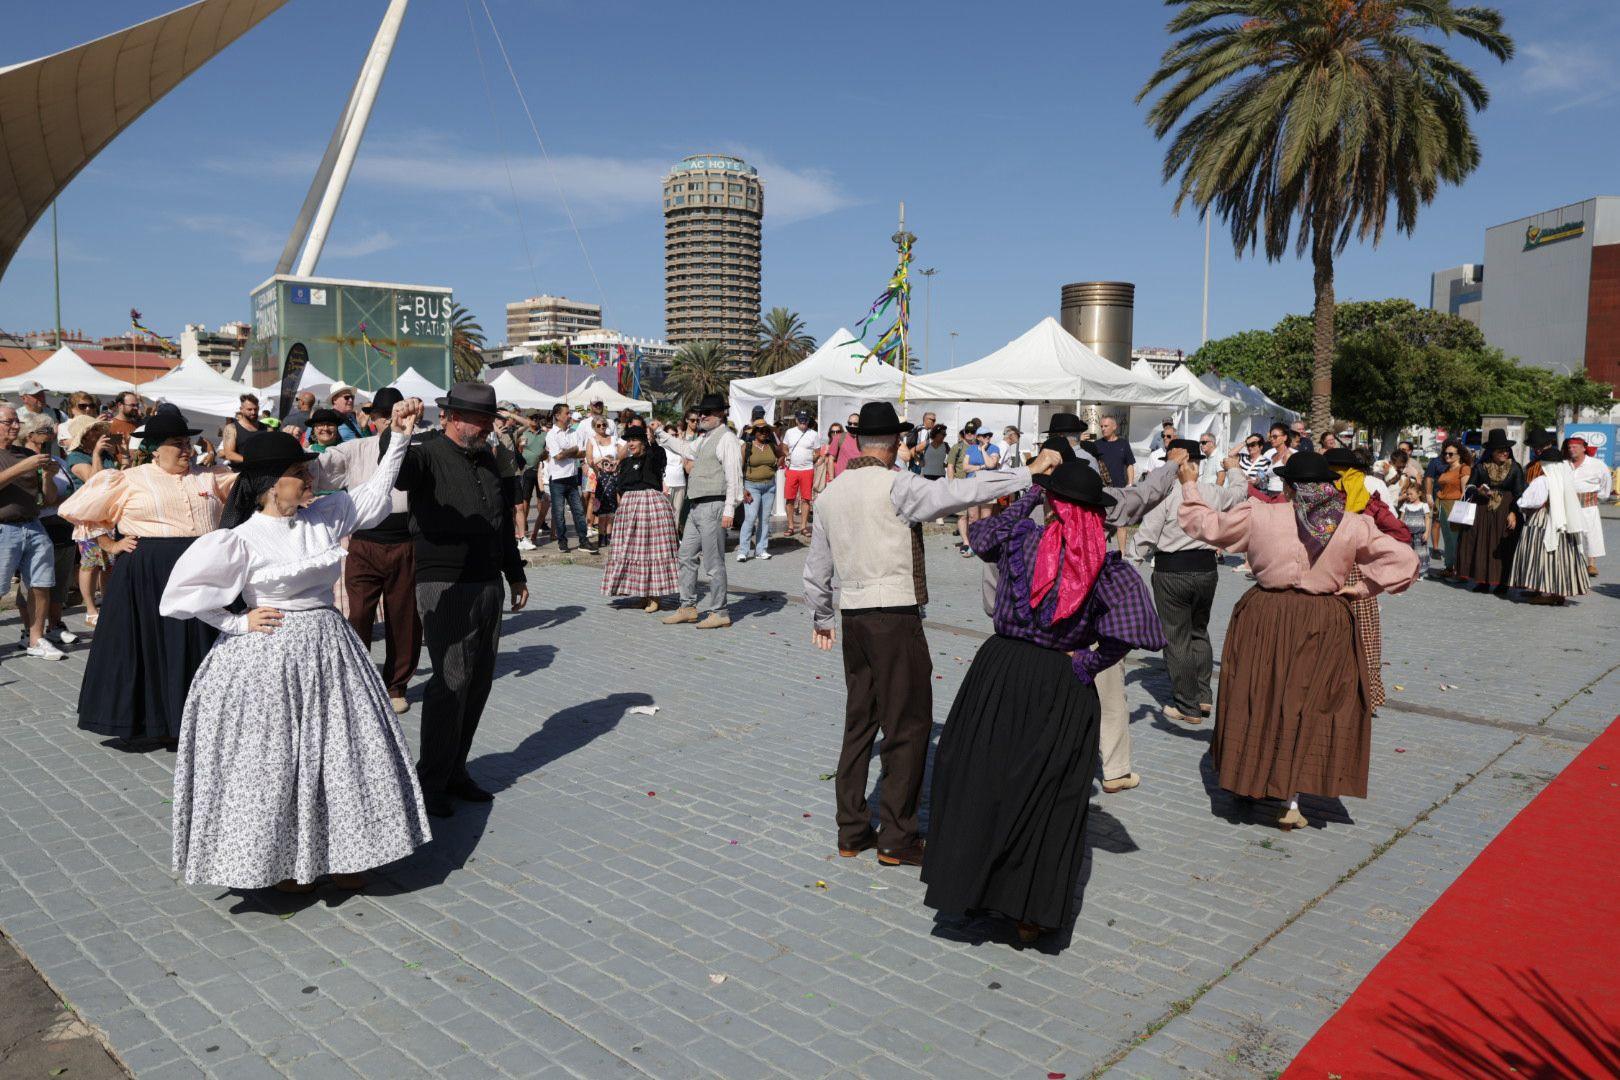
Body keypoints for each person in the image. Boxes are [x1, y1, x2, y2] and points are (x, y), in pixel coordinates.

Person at [160, 403, 431, 892]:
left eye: (307, 470)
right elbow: (182, 595)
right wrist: (236, 623)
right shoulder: (239, 539)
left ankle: (348, 853)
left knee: (343, 750)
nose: (310, 478)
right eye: (298, 472)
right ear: (269, 483)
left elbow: (374, 491)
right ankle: (280, 862)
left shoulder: (324, 516)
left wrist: (400, 435)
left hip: (331, 649)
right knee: (273, 758)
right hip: (267, 658)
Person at [804, 402, 1061, 868]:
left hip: (854, 617)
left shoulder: (830, 492)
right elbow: (960, 491)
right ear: (894, 446)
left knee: (860, 721)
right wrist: (1027, 474)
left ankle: (851, 828)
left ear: (861, 443)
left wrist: (822, 617)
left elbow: (816, 570)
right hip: (894, 615)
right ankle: (897, 837)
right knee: (907, 724)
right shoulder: (897, 484)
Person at [923, 456, 1165, 942]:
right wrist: (1091, 662)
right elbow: (1134, 629)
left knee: (983, 780)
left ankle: (969, 894)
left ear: (1053, 504)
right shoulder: (1105, 565)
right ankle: (1029, 911)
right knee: (1048, 793)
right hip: (1060, 678)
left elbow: (981, 537)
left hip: (1002, 671)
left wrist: (1031, 495)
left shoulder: (1022, 538)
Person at [1178, 451, 1418, 830]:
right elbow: (1405, 559)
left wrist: (1189, 484)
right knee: (1306, 703)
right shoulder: (1351, 523)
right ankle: (1290, 801)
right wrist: (1364, 588)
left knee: (1257, 696)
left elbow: (1204, 525)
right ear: (1328, 487)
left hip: (1265, 615)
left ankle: (1248, 781)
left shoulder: (1260, 514)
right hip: (1324, 618)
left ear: (1288, 486)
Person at [393, 382, 529, 818]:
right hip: (445, 583)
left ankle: (455, 770)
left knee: (478, 682)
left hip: (487, 580)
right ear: (450, 416)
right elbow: (396, 471)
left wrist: (515, 572)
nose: (485, 427)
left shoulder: (488, 458)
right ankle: (430, 780)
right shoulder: (425, 451)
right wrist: (395, 432)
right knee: (450, 681)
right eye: (476, 418)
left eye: (488, 419)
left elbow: (501, 523)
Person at [60, 408, 237, 742]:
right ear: (155, 448)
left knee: (200, 641)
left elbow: (248, 491)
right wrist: (109, 545)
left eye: (187, 442)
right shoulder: (129, 478)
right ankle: (156, 722)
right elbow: (82, 511)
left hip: (203, 568)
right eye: (177, 444)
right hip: (148, 573)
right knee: (153, 643)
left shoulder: (211, 476)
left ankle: (206, 720)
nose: (186, 449)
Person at [311, 388, 423, 716]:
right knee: (357, 614)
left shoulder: (419, 448)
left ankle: (396, 685)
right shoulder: (356, 448)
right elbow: (318, 467)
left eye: (395, 416)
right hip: (363, 541)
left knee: (404, 617)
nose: (390, 422)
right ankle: (354, 680)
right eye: (382, 417)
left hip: (405, 541)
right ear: (373, 421)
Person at [1135, 439, 1244, 724]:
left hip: (1173, 569)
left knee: (1175, 636)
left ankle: (1187, 704)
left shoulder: (1167, 495)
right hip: (1206, 569)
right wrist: (1234, 469)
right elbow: (1239, 492)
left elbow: (1145, 537)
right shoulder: (1212, 492)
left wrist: (1126, 570)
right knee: (1198, 631)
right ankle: (1204, 696)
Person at [1324, 448, 1411, 711]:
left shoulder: (1324, 497)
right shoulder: (1368, 499)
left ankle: (1331, 695)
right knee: (1363, 635)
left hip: (1326, 571)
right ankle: (1364, 698)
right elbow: (1401, 534)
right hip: (1358, 574)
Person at [655, 393, 742, 629]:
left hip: (714, 504)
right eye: (701, 412)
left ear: (720, 414)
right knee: (685, 557)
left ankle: (720, 611)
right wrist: (661, 433)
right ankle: (687, 607)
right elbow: (684, 448)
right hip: (695, 505)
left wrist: (730, 510)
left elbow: (734, 476)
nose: (702, 416)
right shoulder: (705, 438)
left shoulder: (727, 439)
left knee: (713, 563)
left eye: (707, 412)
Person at [1, 407, 67, 659]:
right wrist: (22, 467)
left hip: (33, 525)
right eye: (9, 421)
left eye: (17, 421)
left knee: (41, 584)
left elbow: (47, 498)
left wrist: (48, 477)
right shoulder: (24, 459)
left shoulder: (27, 454)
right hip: (4, 528)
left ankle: (35, 638)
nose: (16, 426)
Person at [13, 415, 79, 650]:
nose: (50, 434)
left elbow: (70, 493)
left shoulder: (57, 462)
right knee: (32, 584)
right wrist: (55, 499)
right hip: (36, 525)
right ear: (29, 435)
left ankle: (55, 625)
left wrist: (55, 495)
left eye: (51, 429)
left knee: (58, 582)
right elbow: (38, 500)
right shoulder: (21, 460)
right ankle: (28, 629)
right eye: (44, 430)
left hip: (62, 526)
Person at [602, 423, 678, 611]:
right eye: (628, 440)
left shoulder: (652, 457)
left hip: (650, 506)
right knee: (633, 550)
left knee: (652, 550)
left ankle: (655, 596)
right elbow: (621, 487)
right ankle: (642, 593)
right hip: (629, 508)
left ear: (644, 442)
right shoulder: (626, 462)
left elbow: (658, 454)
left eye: (635, 439)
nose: (631, 443)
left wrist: (652, 435)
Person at [1509, 440, 1589, 606]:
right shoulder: (1566, 479)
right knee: (1562, 557)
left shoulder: (1543, 481)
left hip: (1542, 520)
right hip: (1564, 523)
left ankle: (1544, 593)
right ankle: (1559, 591)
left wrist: (1520, 504)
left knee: (1541, 555)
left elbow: (1528, 501)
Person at [65, 421, 122, 629]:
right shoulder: (76, 458)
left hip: (108, 515)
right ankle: (90, 609)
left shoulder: (108, 454)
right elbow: (93, 481)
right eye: (94, 430)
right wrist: (97, 454)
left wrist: (119, 455)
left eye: (100, 430)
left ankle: (107, 604)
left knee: (108, 563)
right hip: (89, 518)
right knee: (90, 563)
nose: (100, 434)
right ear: (85, 435)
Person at [1456, 429, 1524, 595]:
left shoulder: (1515, 468)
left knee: (1504, 545)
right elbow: (1470, 487)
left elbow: (1520, 493)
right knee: (1483, 544)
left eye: (1506, 450)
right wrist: (1478, 491)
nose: (1504, 453)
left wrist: (1514, 512)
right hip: (1483, 510)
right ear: (1492, 452)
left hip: (1506, 511)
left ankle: (1503, 582)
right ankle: (1483, 580)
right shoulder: (1481, 467)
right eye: (1500, 450)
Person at [545, 403, 594, 553]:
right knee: (559, 514)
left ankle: (583, 541)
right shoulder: (551, 435)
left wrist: (568, 451)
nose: (569, 415)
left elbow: (581, 452)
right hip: (558, 480)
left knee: (579, 512)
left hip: (572, 478)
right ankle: (562, 542)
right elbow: (557, 456)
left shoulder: (574, 432)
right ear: (557, 416)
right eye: (567, 413)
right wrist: (571, 451)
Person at [1565, 437, 1610, 578]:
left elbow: (1606, 481)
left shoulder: (1597, 464)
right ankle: (1573, 562)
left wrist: (1601, 496)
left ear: (1584, 448)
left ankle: (1591, 564)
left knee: (1591, 534)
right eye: (1570, 447)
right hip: (1570, 504)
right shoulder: (1565, 464)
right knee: (1571, 533)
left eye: (1575, 447)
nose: (1571, 450)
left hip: (1588, 504)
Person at [738, 419, 782, 562]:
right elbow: (739, 468)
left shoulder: (771, 445)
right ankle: (743, 551)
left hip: (769, 486)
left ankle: (761, 549)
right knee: (750, 518)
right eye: (761, 431)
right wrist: (742, 488)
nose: (764, 433)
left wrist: (775, 467)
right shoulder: (747, 447)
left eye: (766, 431)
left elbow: (782, 454)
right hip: (751, 486)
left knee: (765, 519)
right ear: (755, 432)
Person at [1426, 440, 1470, 578]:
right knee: (1447, 538)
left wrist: (1462, 509)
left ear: (1459, 455)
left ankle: (1458, 568)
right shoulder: (1447, 469)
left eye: (1451, 454)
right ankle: (1449, 567)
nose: (1447, 456)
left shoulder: (1464, 468)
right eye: (1445, 453)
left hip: (1455, 505)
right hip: (1442, 504)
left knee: (1455, 538)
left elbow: (1465, 491)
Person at [781, 411, 823, 537]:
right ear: (796, 420)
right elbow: (784, 446)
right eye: (801, 420)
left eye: (805, 420)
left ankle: (804, 527)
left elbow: (817, 451)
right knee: (789, 498)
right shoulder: (790, 432)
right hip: (792, 469)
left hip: (807, 470)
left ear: (808, 421)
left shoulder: (813, 434)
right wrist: (787, 455)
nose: (803, 422)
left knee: (806, 499)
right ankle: (790, 526)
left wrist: (811, 460)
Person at [585, 414, 623, 546]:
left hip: (613, 477)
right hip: (598, 476)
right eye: (599, 425)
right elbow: (589, 460)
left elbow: (621, 454)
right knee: (600, 508)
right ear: (594, 427)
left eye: (604, 425)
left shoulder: (613, 439)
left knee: (612, 509)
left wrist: (616, 462)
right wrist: (600, 461)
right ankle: (601, 537)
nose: (602, 427)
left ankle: (609, 536)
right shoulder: (591, 440)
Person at [663, 410, 694, 522]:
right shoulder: (662, 448)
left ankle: (675, 538)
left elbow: (686, 464)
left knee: (677, 514)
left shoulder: (679, 448)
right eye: (672, 435)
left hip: (680, 483)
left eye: (675, 434)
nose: (674, 437)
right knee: (667, 514)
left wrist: (680, 440)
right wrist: (663, 484)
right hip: (668, 484)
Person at [219, 393, 265, 465]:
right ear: (241, 410)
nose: (253, 412)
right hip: (241, 471)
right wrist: (251, 461)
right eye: (249, 409)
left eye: (255, 409)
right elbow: (229, 454)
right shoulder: (231, 428)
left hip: (264, 471)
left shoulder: (266, 428)